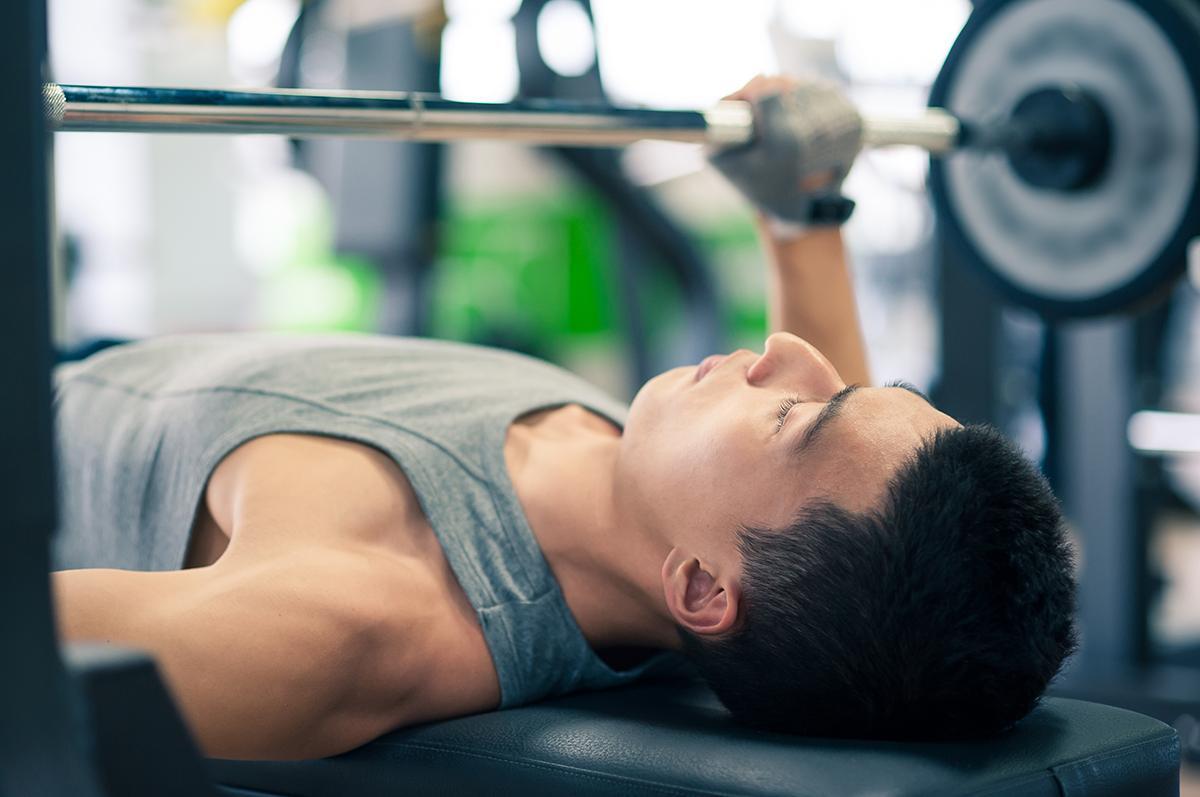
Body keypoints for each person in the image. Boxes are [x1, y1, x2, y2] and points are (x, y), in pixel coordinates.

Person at [50, 76, 1076, 761]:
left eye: (793, 413)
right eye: (857, 383)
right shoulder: (720, 523)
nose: (785, 355)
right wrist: (801, 211)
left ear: (701, 585)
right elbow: (845, 474)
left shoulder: (351, 615)